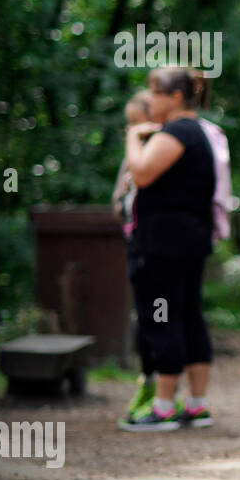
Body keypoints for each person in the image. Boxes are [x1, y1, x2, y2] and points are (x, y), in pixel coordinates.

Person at [118, 66, 217, 431]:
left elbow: (141, 173)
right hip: (190, 240)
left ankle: (161, 408)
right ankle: (196, 404)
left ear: (175, 97)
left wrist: (133, 136)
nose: (150, 101)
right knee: (188, 315)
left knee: (161, 316)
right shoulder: (199, 132)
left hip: (164, 242)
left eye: (155, 93)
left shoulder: (178, 131)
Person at [112, 89, 160, 423]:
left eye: (135, 122)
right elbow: (118, 195)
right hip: (135, 244)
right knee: (144, 316)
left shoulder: (162, 150)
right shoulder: (133, 153)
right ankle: (148, 381)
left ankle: (162, 388)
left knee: (160, 316)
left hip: (156, 245)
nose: (131, 129)